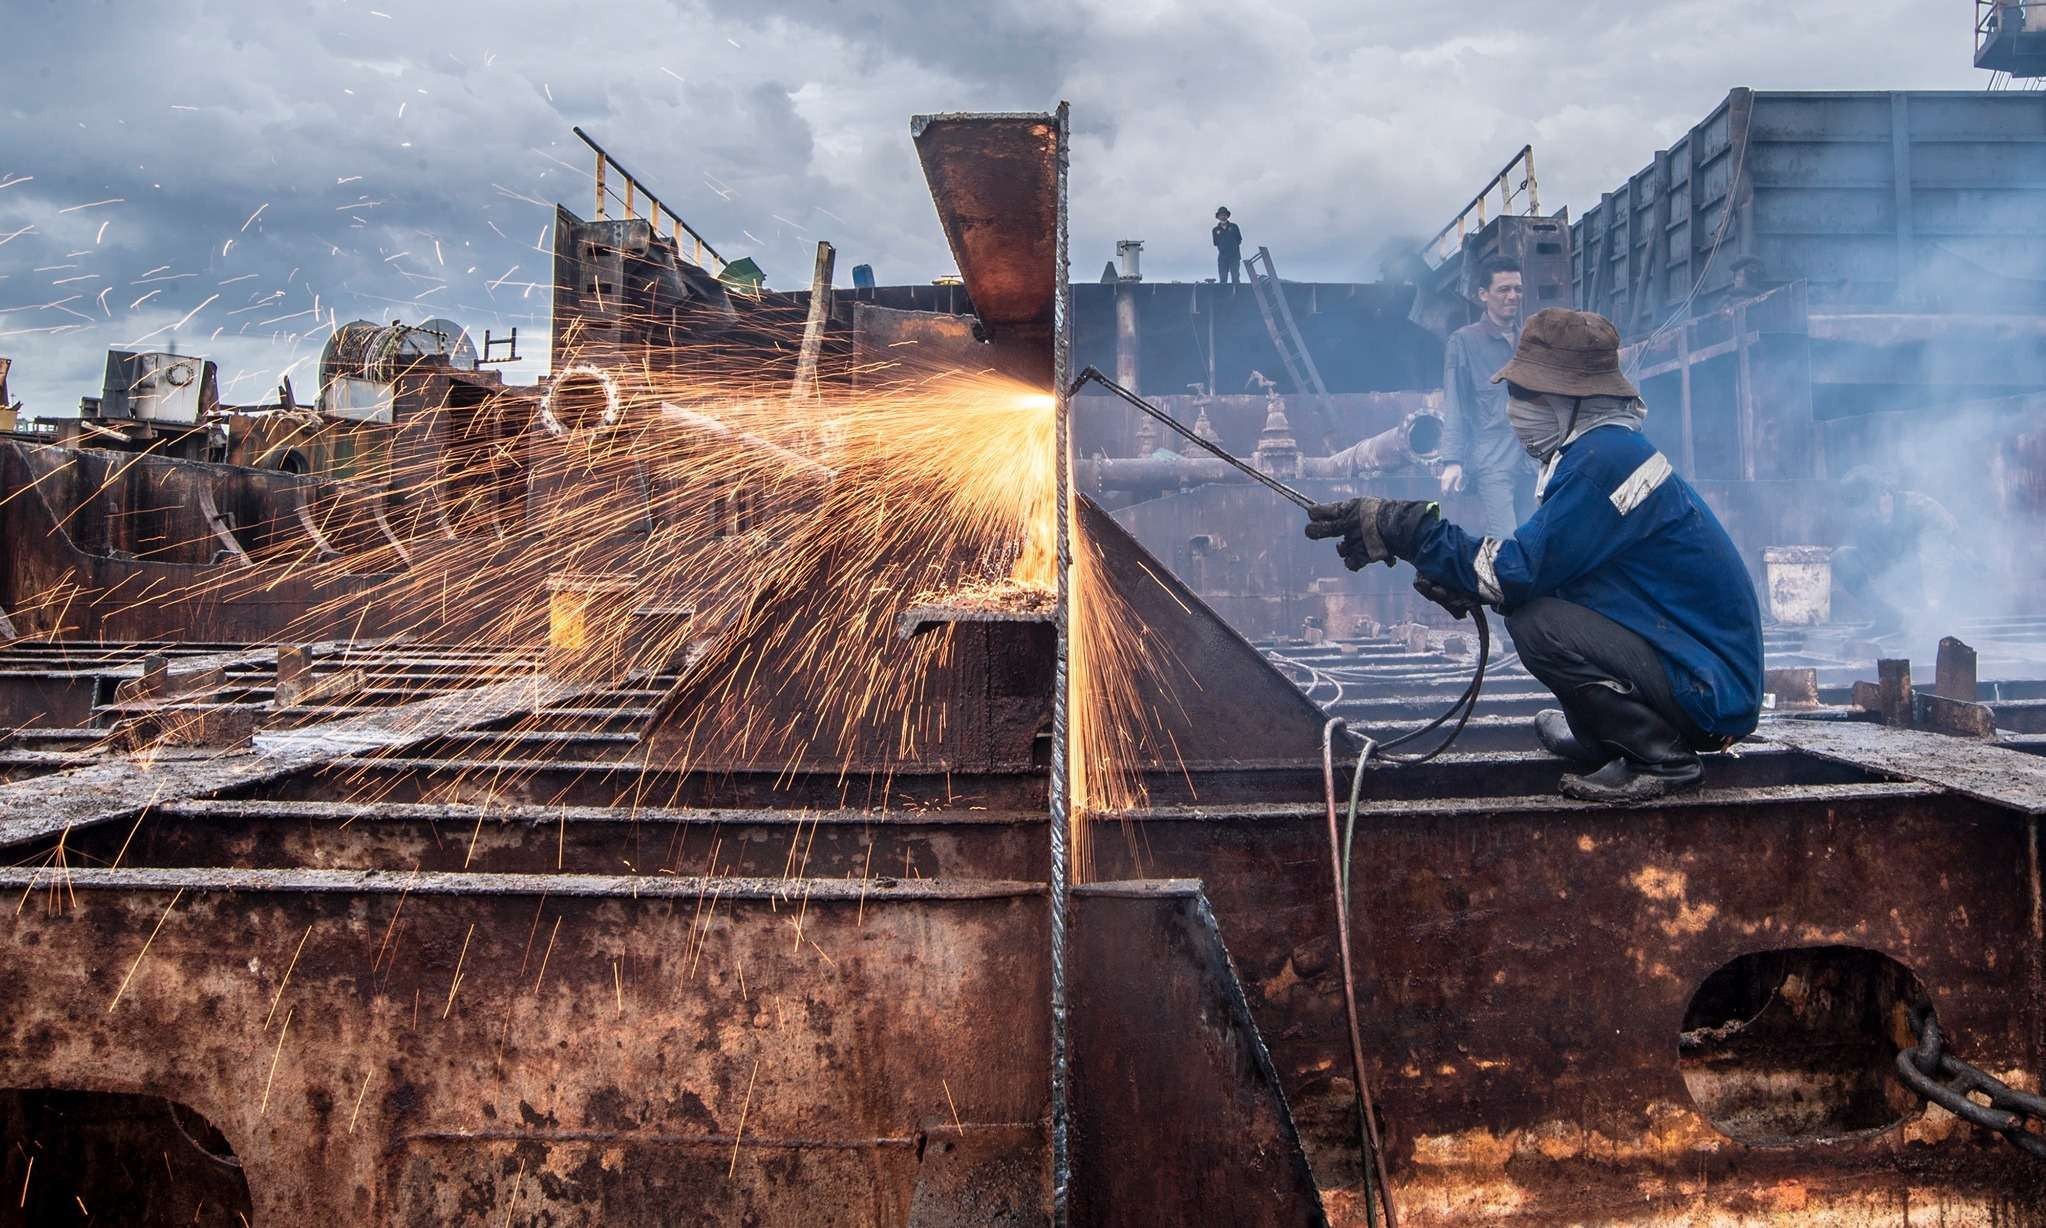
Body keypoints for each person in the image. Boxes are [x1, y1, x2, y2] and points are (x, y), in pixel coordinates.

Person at [1303, 308, 1763, 803]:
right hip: (1698, 668)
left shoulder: (1603, 462)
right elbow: (1556, 568)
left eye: (1526, 395)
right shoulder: (1601, 452)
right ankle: (1601, 737)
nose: (1514, 408)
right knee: (1535, 607)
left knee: (1536, 624)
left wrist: (1413, 532)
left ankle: (1660, 757)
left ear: (1571, 400)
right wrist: (1451, 570)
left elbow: (1515, 574)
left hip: (1708, 692)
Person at [1437, 258, 1532, 538]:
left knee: (1540, 539)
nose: (1512, 296)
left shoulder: (1532, 339)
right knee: (1505, 539)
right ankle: (1497, 580)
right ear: (1483, 294)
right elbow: (1454, 402)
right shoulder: (1464, 341)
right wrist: (1451, 461)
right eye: (1503, 289)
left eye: (1518, 289)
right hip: (1493, 458)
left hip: (1534, 456)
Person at [1830, 466, 1962, 635]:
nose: (1865, 516)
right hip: (1905, 587)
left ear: (1885, 494)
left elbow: (1938, 563)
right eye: (1860, 512)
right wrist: (1895, 610)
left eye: (1868, 509)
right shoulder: (1866, 524)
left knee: (1918, 560)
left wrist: (1932, 610)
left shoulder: (1923, 510)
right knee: (1843, 558)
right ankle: (1891, 621)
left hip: (1940, 582)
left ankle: (1928, 620)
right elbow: (1877, 575)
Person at [1212, 207, 1243, 285]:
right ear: (1218, 217)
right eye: (1221, 215)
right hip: (1222, 257)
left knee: (1235, 278)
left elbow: (1239, 240)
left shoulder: (1234, 226)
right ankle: (1222, 295)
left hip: (1234, 256)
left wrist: (1232, 247)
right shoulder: (1215, 230)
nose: (1223, 216)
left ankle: (1237, 295)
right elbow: (1216, 243)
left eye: (1224, 214)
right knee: (1223, 278)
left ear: (1227, 216)